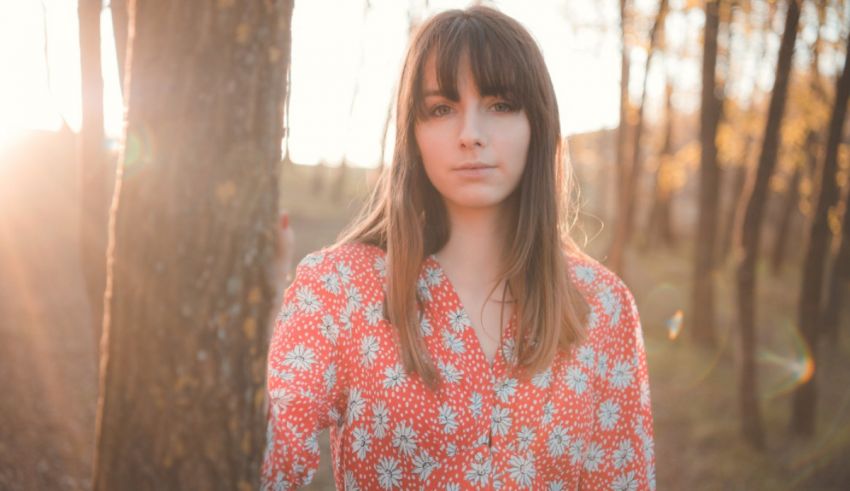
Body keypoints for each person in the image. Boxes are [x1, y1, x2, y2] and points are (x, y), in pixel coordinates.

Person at [261, 6, 655, 490]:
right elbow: (269, 467)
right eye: (442, 109)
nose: (471, 135)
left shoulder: (603, 307)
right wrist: (261, 313)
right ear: (413, 133)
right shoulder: (339, 288)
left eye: (501, 104)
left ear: (538, 125)